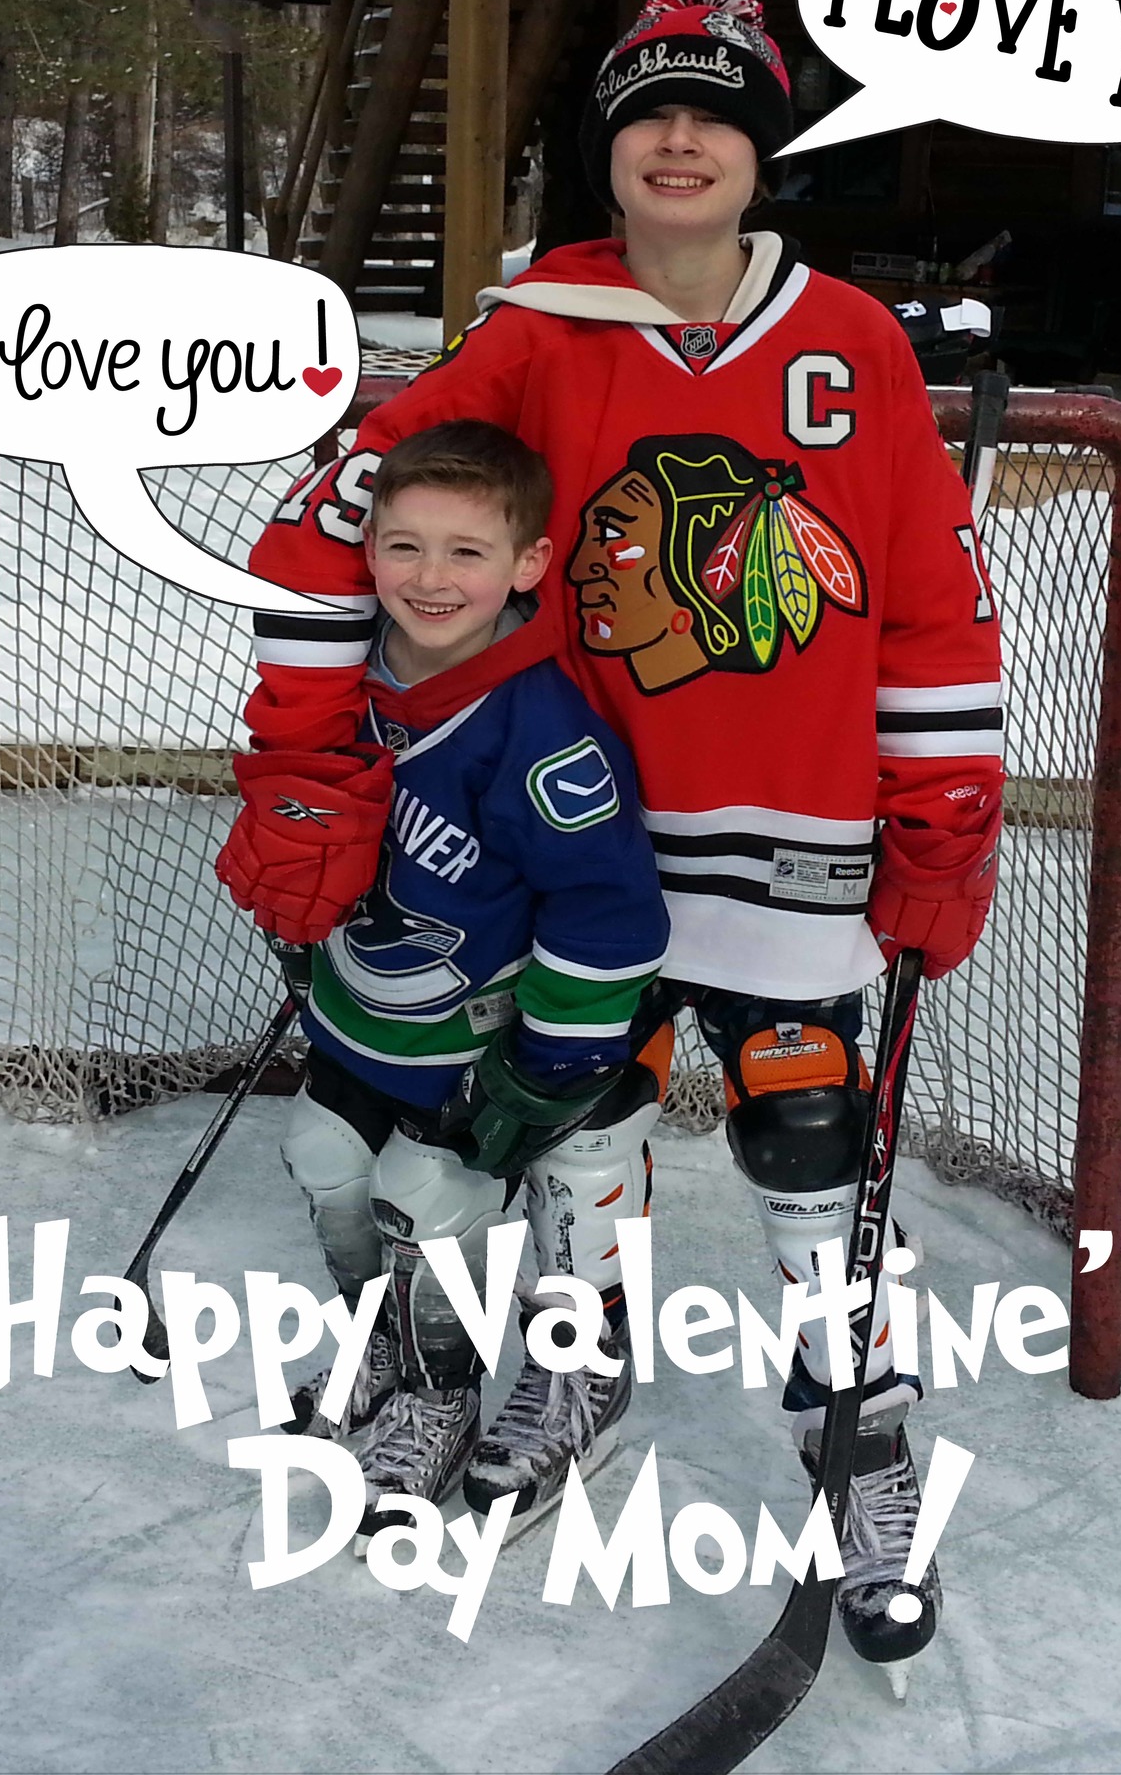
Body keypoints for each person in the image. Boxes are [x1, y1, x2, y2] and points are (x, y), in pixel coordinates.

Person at [217, 0, 1003, 1663]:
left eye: (715, 113)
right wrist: (308, 764)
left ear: (763, 151)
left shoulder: (851, 341)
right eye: (649, 111)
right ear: (608, 148)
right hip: (580, 839)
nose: (680, 139)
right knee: (579, 1118)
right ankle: (577, 1361)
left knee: (807, 1139)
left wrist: (942, 806)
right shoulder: (531, 333)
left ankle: (858, 1428)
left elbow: (931, 599)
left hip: (791, 836)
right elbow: (333, 527)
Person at [226, 420, 669, 1536]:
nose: (430, 578)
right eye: (404, 546)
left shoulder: (543, 733)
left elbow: (611, 912)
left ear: (527, 564)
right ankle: (383, 1339)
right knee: (322, 1156)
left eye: (467, 552)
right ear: (368, 549)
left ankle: (441, 1394)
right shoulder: (348, 682)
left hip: (477, 1040)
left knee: (426, 1201)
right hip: (365, 1012)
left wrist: (549, 1061)